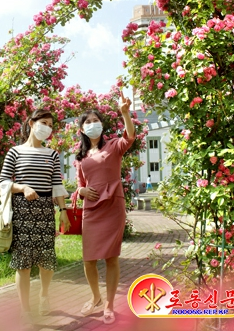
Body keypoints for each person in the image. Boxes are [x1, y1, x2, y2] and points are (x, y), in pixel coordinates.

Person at [0, 108, 70, 328]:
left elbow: (57, 185)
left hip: (45, 213)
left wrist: (63, 211)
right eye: (44, 123)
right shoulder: (15, 152)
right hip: (22, 213)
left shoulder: (52, 155)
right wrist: (23, 187)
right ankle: (25, 310)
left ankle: (44, 295)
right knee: (23, 263)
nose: (47, 128)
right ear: (32, 123)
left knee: (46, 259)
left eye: (50, 125)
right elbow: (3, 181)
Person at [75, 91, 135, 325]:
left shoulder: (113, 146)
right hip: (91, 210)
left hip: (112, 207)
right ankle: (96, 299)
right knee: (88, 259)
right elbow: (80, 185)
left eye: (96, 121)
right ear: (81, 129)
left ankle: (109, 305)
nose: (93, 124)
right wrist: (80, 191)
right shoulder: (80, 157)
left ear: (102, 124)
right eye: (87, 122)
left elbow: (129, 137)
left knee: (111, 258)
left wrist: (125, 113)